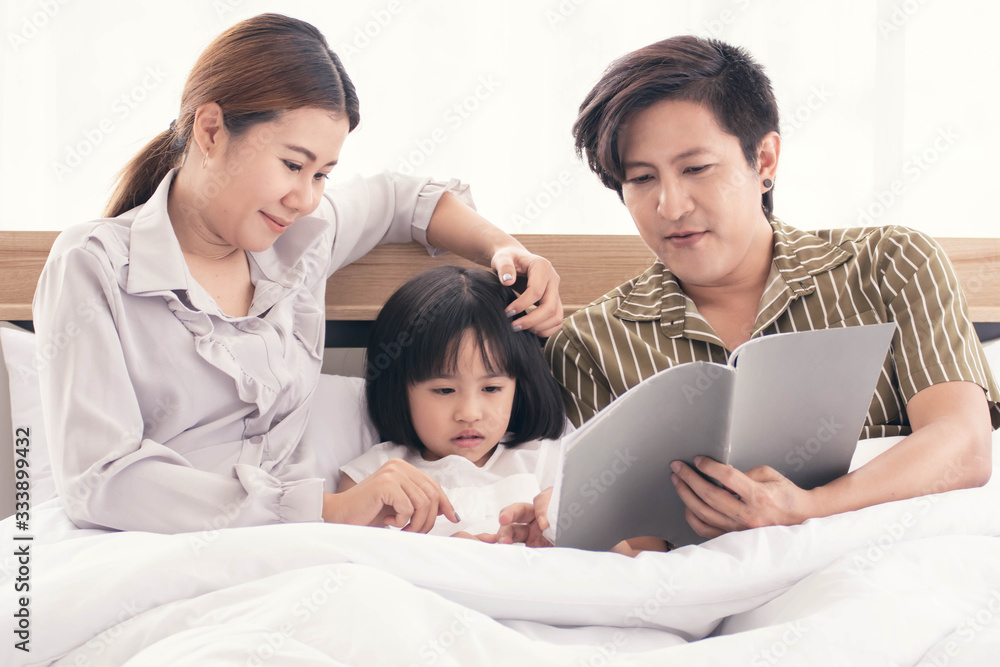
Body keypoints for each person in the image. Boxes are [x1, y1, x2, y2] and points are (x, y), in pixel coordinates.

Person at [33, 13, 563, 534]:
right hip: (164, 547)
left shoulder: (297, 242)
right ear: (211, 130)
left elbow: (404, 199)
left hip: (300, 548)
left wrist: (507, 249)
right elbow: (99, 480)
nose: (305, 199)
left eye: (323, 175)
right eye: (292, 165)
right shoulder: (94, 262)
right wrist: (324, 509)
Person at [497, 35, 999, 547]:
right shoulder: (589, 345)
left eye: (696, 168)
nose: (670, 206)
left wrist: (806, 508)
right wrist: (555, 529)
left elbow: (964, 447)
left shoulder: (890, 265)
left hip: (895, 573)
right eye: (643, 178)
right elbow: (638, 543)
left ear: (764, 160)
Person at [337, 265, 567, 539]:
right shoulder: (373, 477)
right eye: (445, 390)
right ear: (400, 390)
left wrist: (563, 535)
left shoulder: (548, 461)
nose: (469, 414)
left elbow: (611, 559)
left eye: (492, 388)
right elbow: (345, 558)